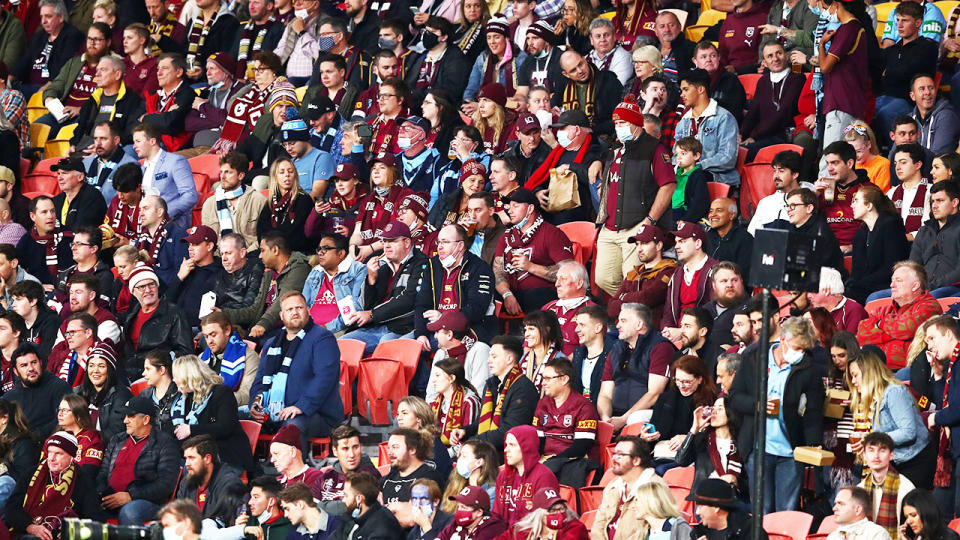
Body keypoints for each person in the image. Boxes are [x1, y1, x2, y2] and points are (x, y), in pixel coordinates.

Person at [729, 317, 825, 512]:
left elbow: (813, 411)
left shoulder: (809, 369)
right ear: (783, 340)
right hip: (757, 449)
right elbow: (735, 397)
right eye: (797, 348)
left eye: (804, 350)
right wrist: (757, 405)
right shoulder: (754, 358)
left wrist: (814, 442)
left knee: (786, 512)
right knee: (761, 512)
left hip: (790, 452)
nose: (800, 354)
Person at [594, 94, 675, 297]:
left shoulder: (654, 148)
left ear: (636, 123)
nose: (618, 127)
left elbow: (668, 185)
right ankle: (625, 306)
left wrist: (649, 221)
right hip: (609, 226)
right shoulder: (616, 149)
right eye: (616, 123)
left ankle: (629, 313)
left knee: (632, 278)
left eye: (622, 122)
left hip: (637, 225)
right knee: (602, 278)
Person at [250, 291, 344, 444]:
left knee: (291, 428)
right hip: (274, 412)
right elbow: (259, 380)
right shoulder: (271, 344)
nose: (294, 312)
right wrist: (255, 403)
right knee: (234, 418)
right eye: (289, 309)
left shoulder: (322, 338)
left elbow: (325, 378)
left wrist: (301, 406)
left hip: (314, 414)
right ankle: (248, 468)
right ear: (281, 315)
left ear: (308, 310)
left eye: (299, 308)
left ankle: (296, 468)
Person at [848, 351, 932, 489]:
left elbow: (908, 432)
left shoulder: (894, 392)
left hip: (916, 461)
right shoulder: (876, 398)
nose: (853, 381)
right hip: (898, 462)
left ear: (869, 372)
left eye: (855, 375)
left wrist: (873, 438)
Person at [341, 221, 428, 353]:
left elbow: (409, 300)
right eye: (385, 241)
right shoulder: (380, 264)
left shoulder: (422, 263)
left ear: (407, 243)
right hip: (374, 326)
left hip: (402, 328)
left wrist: (372, 314)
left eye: (392, 241)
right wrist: (371, 279)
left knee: (385, 346)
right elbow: (365, 305)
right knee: (340, 345)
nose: (386, 246)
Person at [96, 395, 181, 525]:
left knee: (130, 512)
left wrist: (130, 496)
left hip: (147, 502)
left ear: (146, 419)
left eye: (130, 416)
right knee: (85, 504)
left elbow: (165, 484)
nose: (125, 421)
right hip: (111, 498)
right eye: (125, 416)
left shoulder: (165, 444)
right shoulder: (117, 440)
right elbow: (103, 472)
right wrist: (103, 493)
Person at [169, 355, 255, 475]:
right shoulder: (184, 399)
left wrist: (191, 430)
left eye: (176, 376)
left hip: (226, 455)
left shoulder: (222, 393)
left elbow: (225, 427)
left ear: (189, 377)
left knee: (188, 469)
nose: (173, 380)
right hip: (195, 453)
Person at [414, 224, 497, 347]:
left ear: (460, 245)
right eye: (438, 242)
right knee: (409, 347)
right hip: (435, 330)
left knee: (443, 350)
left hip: (469, 330)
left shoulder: (479, 267)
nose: (440, 247)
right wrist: (421, 334)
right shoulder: (432, 265)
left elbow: (476, 309)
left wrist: (444, 318)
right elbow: (422, 304)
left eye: (445, 242)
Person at [450, 335, 538, 451]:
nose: (488, 360)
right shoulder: (492, 385)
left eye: (494, 356)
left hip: (508, 453)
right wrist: (464, 431)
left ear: (509, 359)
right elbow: (482, 422)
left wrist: (473, 443)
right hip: (488, 449)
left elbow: (509, 431)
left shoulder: (523, 388)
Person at [493, 189, 574, 315]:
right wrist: (507, 294)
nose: (510, 210)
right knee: (486, 292)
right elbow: (498, 272)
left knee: (539, 295)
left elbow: (569, 272)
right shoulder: (507, 236)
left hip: (542, 295)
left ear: (530, 208)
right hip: (513, 293)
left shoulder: (551, 233)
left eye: (516, 206)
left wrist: (530, 267)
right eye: (509, 206)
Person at [4, 431, 99, 537]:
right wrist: (30, 527)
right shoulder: (31, 474)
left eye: (58, 453)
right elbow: (11, 508)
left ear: (71, 456)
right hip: (27, 533)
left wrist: (72, 532)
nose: (51, 458)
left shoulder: (83, 481)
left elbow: (93, 518)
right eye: (50, 452)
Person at [598, 303, 675, 429]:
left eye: (623, 321)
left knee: (635, 418)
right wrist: (606, 419)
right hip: (616, 417)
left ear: (639, 325)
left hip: (648, 417)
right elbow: (605, 394)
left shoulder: (660, 347)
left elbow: (654, 393)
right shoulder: (615, 349)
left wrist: (623, 420)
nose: (617, 325)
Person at [859, 261, 943, 369]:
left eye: (898, 281)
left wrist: (880, 324)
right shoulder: (884, 310)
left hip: (908, 371)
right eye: (892, 281)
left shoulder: (930, 307)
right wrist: (896, 333)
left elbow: (906, 328)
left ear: (915, 286)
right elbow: (862, 334)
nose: (891, 285)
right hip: (877, 369)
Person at [224, 233, 310, 337]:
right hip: (259, 330)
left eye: (262, 250)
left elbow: (283, 302)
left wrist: (262, 325)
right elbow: (255, 310)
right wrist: (223, 315)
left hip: (282, 331)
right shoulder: (269, 272)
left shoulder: (299, 269)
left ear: (275, 250)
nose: (260, 256)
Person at [532, 357, 598, 489]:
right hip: (546, 460)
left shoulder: (584, 406)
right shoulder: (543, 403)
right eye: (543, 378)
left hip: (572, 461)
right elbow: (537, 440)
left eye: (548, 379)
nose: (543, 383)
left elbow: (581, 446)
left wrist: (553, 461)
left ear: (564, 379)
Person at [121, 264, 193, 382]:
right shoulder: (131, 317)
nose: (148, 290)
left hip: (163, 376)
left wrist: (158, 362)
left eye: (151, 284)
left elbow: (186, 352)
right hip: (132, 376)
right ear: (133, 291)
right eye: (142, 287)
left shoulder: (174, 313)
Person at [674, 69, 739, 187]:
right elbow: (675, 155)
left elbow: (727, 157)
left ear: (700, 89)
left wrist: (696, 167)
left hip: (718, 179)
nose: (681, 95)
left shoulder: (724, 118)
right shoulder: (683, 122)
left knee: (695, 177)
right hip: (688, 176)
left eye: (686, 89)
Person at [590, 436, 664, 540]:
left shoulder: (655, 487)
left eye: (620, 455)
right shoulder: (613, 486)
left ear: (636, 461)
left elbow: (655, 530)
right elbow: (598, 525)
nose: (613, 458)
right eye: (614, 454)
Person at [739, 44, 804, 159]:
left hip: (783, 134)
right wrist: (741, 135)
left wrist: (755, 137)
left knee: (744, 152)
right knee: (734, 150)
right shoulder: (763, 81)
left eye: (779, 53)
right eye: (770, 56)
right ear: (764, 62)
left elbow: (784, 113)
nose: (775, 59)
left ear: (786, 55)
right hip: (763, 135)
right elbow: (753, 112)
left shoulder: (797, 79)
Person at [847, 185, 911, 304]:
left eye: (856, 201)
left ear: (869, 206)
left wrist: (860, 283)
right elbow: (857, 270)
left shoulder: (891, 226)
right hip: (865, 286)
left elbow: (892, 267)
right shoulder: (860, 234)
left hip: (889, 284)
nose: (852, 205)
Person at [131, 123, 198, 228]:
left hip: (173, 225)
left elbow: (190, 196)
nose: (134, 146)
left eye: (138, 141)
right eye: (134, 142)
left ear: (152, 141)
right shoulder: (141, 167)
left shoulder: (175, 161)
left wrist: (164, 214)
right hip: (146, 226)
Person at [70, 59, 143, 156]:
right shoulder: (92, 100)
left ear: (117, 75)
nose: (97, 74)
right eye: (97, 70)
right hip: (83, 150)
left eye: (103, 70)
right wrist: (73, 145)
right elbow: (80, 128)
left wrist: (103, 149)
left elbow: (129, 134)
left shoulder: (132, 101)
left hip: (110, 152)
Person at [767, 188, 847, 276]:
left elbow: (816, 269)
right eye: (788, 206)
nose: (788, 210)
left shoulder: (822, 233)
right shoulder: (790, 229)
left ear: (809, 208)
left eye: (793, 205)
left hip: (826, 283)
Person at [11, 0, 84, 95]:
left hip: (50, 90)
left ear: (61, 17)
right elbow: (25, 60)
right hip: (27, 86)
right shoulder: (40, 35)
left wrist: (46, 88)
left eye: (48, 16)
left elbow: (63, 68)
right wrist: (10, 78)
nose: (43, 21)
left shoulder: (72, 36)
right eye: (41, 17)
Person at [607, 225, 676, 324]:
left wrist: (624, 297)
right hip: (625, 331)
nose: (639, 249)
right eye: (637, 244)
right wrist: (635, 300)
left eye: (644, 243)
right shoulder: (633, 273)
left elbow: (647, 298)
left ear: (658, 246)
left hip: (652, 332)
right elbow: (611, 308)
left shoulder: (669, 270)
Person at [201, 152, 268, 250]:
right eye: (221, 172)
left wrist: (244, 254)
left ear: (241, 176)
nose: (222, 177)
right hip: (220, 259)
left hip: (250, 257)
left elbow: (264, 237)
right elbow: (207, 240)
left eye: (228, 172)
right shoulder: (210, 204)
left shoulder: (258, 200)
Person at [854, 432, 916, 538]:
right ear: (864, 455)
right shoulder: (860, 489)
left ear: (891, 455)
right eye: (871, 450)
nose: (876, 456)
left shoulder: (906, 488)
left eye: (882, 450)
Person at [175, 434, 246, 524]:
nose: (187, 464)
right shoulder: (186, 483)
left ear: (207, 459)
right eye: (186, 458)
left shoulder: (229, 484)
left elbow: (227, 524)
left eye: (192, 458)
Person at [906, 181, 960, 297]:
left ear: (954, 202)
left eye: (940, 201)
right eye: (932, 201)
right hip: (921, 289)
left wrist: (930, 286)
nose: (934, 206)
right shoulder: (924, 231)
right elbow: (913, 266)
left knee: (929, 299)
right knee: (875, 298)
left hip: (951, 288)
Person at [5, 343, 71, 437]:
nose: (31, 368)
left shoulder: (60, 387)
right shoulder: (8, 399)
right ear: (16, 372)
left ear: (40, 363)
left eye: (34, 362)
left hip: (53, 444)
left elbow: (65, 421)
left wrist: (34, 436)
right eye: (24, 365)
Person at [424, 310, 489, 403]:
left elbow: (479, 391)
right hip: (442, 410)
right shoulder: (440, 353)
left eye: (437, 332)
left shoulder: (480, 350)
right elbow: (431, 393)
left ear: (449, 335)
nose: (435, 336)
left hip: (469, 410)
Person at [198, 312, 259, 406]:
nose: (209, 341)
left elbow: (248, 394)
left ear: (227, 330)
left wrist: (215, 401)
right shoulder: (202, 358)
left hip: (231, 411)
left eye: (213, 335)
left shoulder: (248, 357)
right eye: (206, 337)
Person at [140, 54, 198, 153]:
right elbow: (135, 123)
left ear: (179, 72)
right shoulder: (152, 95)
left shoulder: (187, 95)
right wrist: (164, 115)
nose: (159, 73)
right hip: (147, 142)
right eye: (158, 69)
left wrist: (145, 118)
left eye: (165, 68)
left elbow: (170, 125)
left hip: (172, 148)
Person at [75, 343, 131, 442]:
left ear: (109, 370)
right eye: (91, 366)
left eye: (101, 366)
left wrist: (86, 441)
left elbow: (116, 433)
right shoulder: (77, 392)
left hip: (102, 448)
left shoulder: (121, 395)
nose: (95, 371)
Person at [748, 150, 806, 234]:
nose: (776, 176)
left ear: (794, 175)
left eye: (781, 171)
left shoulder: (809, 197)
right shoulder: (765, 203)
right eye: (774, 171)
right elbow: (752, 235)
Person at [688, 478, 768, 540]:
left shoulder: (750, 532)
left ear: (716, 507)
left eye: (701, 506)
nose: (697, 512)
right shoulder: (698, 533)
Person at [135, 196, 188, 286]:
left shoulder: (178, 235)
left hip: (169, 292)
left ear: (160, 212)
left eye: (146, 208)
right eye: (140, 210)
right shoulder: (141, 239)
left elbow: (181, 272)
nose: (141, 214)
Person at [341, 472, 405, 540]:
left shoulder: (381, 530)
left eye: (346, 496)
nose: (343, 500)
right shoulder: (352, 516)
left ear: (359, 499)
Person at [888, 143, 931, 241]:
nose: (897, 167)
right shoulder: (891, 194)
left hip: (922, 248)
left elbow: (931, 227)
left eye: (903, 162)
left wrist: (905, 237)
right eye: (895, 163)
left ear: (918, 165)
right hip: (895, 247)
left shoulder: (931, 192)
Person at [55, 393, 105, 477]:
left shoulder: (91, 439)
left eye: (65, 410)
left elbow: (88, 472)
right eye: (59, 409)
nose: (60, 414)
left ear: (78, 415)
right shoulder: (55, 437)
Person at [910, 74, 960, 156]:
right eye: (922, 89)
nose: (927, 92)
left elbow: (938, 155)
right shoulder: (910, 119)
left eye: (931, 88)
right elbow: (894, 154)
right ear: (913, 96)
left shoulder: (946, 116)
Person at [137, 349, 178, 435]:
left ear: (162, 370)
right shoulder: (144, 395)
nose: (143, 373)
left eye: (148, 369)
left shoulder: (180, 393)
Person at [827, 486, 892, 540]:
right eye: (835, 504)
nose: (834, 508)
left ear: (858, 509)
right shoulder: (832, 537)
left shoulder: (877, 534)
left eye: (841, 504)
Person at [844, 120, 891, 192]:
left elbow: (880, 198)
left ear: (869, 144)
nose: (855, 156)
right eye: (852, 152)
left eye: (859, 151)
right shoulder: (849, 165)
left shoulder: (883, 165)